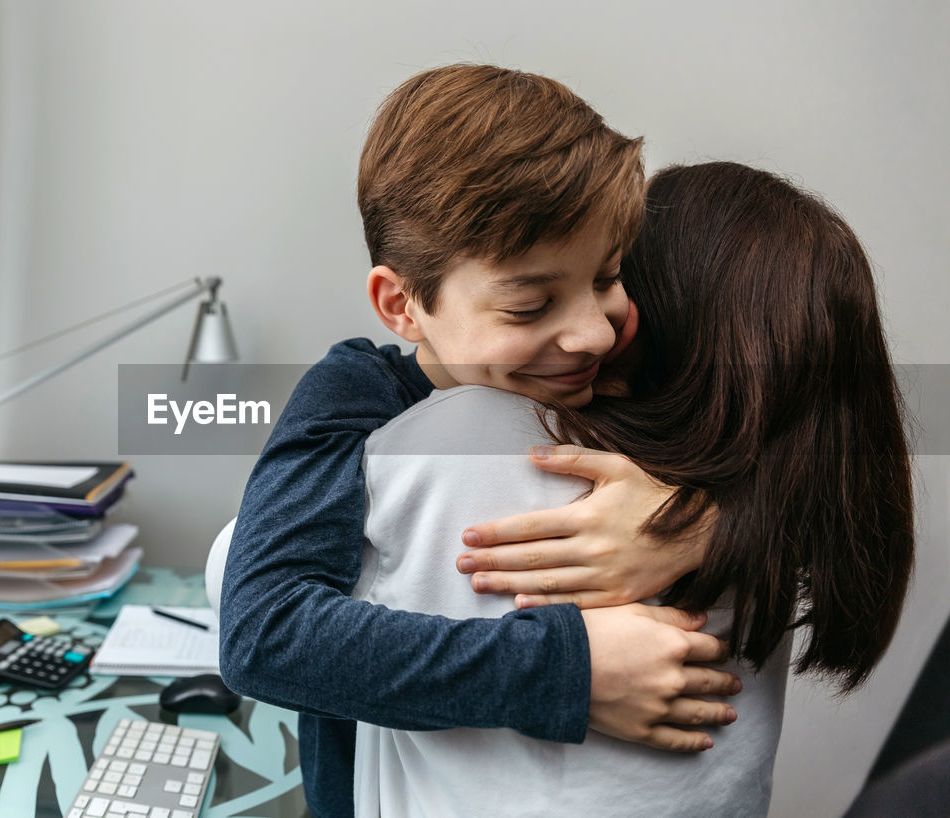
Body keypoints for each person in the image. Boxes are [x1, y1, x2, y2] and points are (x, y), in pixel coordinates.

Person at [219, 64, 739, 817]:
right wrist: (572, 669)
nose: (594, 330)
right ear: (402, 305)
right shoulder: (354, 399)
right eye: (530, 306)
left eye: (608, 276)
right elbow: (266, 634)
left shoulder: (631, 371)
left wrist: (705, 526)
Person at [353, 162, 915, 816]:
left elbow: (244, 585)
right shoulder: (776, 513)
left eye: (610, 272)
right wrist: (711, 525)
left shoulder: (477, 435)